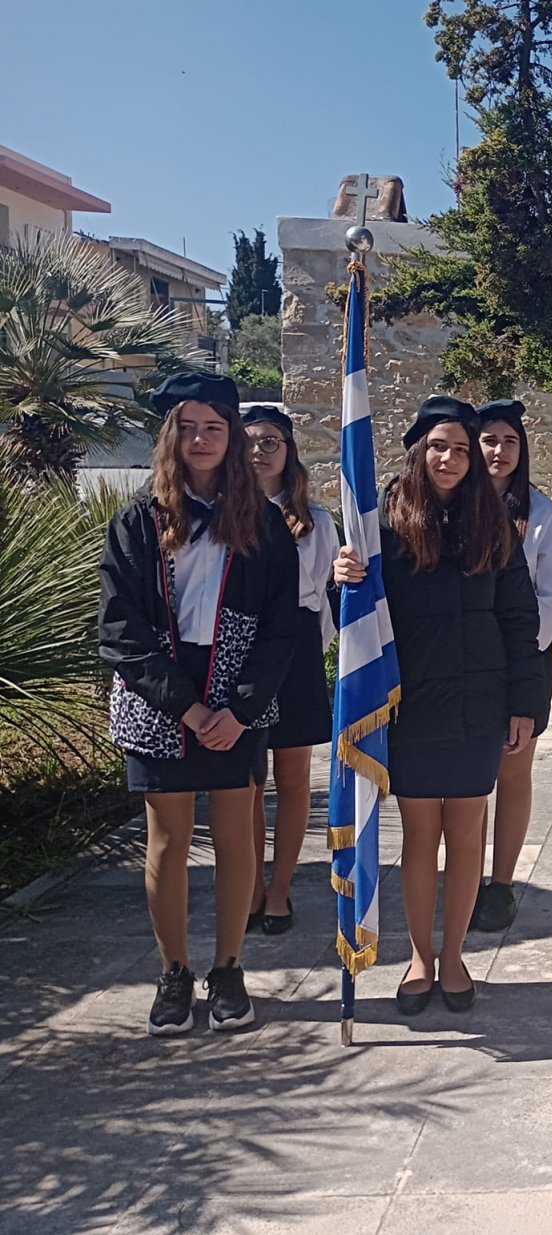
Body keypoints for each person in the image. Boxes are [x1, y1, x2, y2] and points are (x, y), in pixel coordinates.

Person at [332, 395, 547, 1015]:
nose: (449, 459)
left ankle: (454, 956)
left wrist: (524, 703)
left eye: (460, 449)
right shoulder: (384, 524)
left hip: (481, 702)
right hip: (413, 703)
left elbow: (520, 618)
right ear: (418, 453)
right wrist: (343, 576)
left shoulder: (493, 524)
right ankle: (421, 957)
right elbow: (357, 614)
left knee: (467, 833)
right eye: (437, 447)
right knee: (421, 836)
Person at [99, 372, 298, 1035]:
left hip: (237, 693)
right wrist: (185, 707)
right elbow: (119, 627)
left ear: (232, 436)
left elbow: (281, 627)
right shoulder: (137, 519)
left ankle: (229, 968)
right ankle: (174, 971)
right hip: (159, 692)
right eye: (188, 428)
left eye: (214, 427)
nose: (201, 439)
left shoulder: (264, 523)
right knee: (168, 837)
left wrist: (239, 710)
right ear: (170, 436)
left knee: (238, 834)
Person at [469, 399, 552, 933]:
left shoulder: (543, 515)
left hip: (519, 660)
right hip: (465, 663)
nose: (500, 451)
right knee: (469, 779)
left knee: (512, 772)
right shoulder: (454, 507)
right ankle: (466, 878)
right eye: (490, 440)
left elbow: (549, 598)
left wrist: (520, 658)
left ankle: (501, 883)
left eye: (510, 441)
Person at [242, 405, 339, 936]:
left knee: (293, 777)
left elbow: (322, 601)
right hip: (243, 646)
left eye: (270, 441)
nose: (259, 451)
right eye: (250, 441)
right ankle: (251, 885)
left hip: (297, 650)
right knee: (249, 780)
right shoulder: (225, 513)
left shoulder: (315, 521)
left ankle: (280, 888)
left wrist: (306, 653)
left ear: (288, 451)